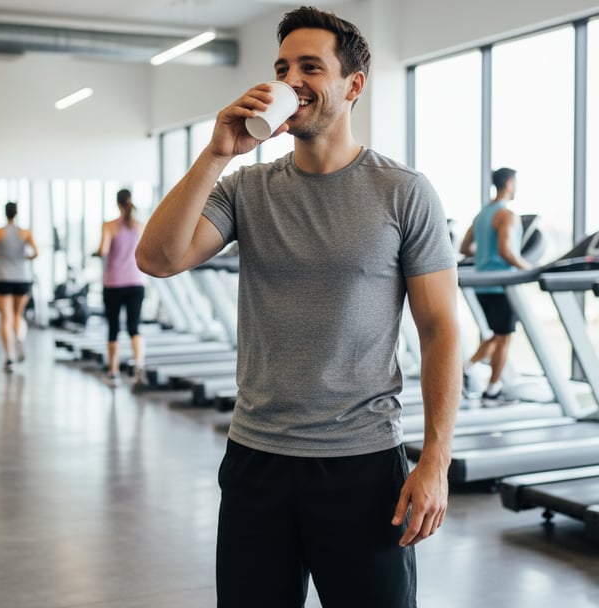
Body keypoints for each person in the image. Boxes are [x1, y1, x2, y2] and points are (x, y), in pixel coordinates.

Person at [135, 7, 462, 608]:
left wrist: (435, 459)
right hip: (256, 461)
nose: (292, 80)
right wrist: (216, 153)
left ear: (353, 84)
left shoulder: (403, 192)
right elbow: (157, 259)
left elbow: (440, 328)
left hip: (362, 468)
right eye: (283, 67)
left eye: (311, 66)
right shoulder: (245, 190)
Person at [459, 167, 532, 401]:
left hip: (482, 284)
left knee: (497, 335)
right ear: (509, 183)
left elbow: (464, 248)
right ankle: (492, 388)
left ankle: (466, 368)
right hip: (502, 285)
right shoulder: (506, 215)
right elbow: (506, 251)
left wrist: (484, 259)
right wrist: (530, 268)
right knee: (504, 338)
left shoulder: (482, 215)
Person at [94, 189, 147, 387]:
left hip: (114, 283)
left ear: (117, 204)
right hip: (136, 282)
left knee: (113, 328)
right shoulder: (139, 226)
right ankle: (139, 365)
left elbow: (103, 250)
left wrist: (96, 253)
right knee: (134, 327)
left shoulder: (109, 226)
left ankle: (113, 373)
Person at [0, 202, 38, 373]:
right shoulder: (25, 232)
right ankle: (20, 338)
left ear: (5, 213)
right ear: (17, 212)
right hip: (22, 277)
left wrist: (0, 254)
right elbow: (36, 253)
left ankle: (10, 358)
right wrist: (24, 257)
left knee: (5, 319)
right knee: (17, 315)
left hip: (4, 277)